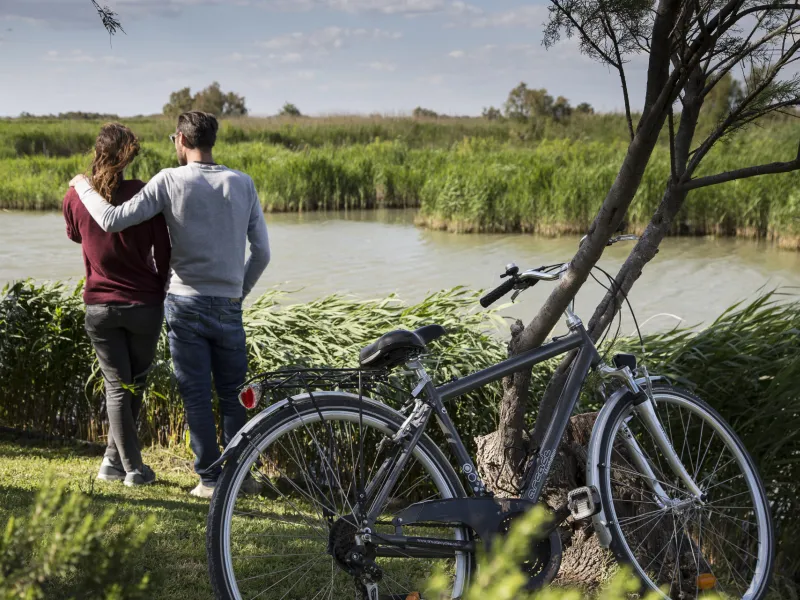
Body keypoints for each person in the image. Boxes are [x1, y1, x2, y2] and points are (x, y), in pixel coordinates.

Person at [69, 111, 271, 498]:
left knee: (196, 395)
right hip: (228, 303)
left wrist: (82, 186)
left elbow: (112, 220)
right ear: (211, 140)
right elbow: (262, 252)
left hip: (185, 302)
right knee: (234, 395)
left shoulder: (169, 180)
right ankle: (240, 478)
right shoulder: (242, 182)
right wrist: (237, 293)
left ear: (180, 139)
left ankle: (209, 481)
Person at [63, 123, 171, 487]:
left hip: (100, 306)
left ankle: (113, 461)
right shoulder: (142, 194)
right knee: (131, 385)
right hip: (144, 304)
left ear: (97, 152)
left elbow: (75, 234)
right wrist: (160, 289)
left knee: (120, 386)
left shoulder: (76, 196)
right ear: (128, 157)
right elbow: (164, 249)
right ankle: (134, 470)